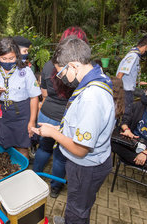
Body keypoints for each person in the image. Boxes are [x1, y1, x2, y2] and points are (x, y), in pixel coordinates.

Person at [32, 36, 115, 224]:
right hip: (90, 162)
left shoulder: (91, 97)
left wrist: (54, 134)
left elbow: (80, 148)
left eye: (62, 73)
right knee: (79, 203)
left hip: (86, 165)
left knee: (77, 208)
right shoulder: (97, 76)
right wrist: (58, 128)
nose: (62, 79)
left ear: (74, 66)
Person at [33, 26, 89, 198]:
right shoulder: (78, 69)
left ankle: (34, 177)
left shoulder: (50, 64)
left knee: (44, 148)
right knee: (60, 156)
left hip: (47, 112)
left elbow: (43, 93)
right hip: (65, 118)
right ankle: (55, 187)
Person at [0, 37, 41, 159]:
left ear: (17, 56)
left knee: (22, 147)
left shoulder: (25, 71)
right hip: (4, 114)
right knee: (6, 146)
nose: (8, 61)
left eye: (11, 58)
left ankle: (22, 172)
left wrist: (31, 121)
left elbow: (34, 97)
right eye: (3, 59)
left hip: (23, 114)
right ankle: (11, 173)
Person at [116, 36, 147, 114]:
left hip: (126, 89)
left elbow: (127, 75)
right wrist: (116, 91)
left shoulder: (132, 54)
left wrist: (138, 82)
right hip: (125, 91)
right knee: (126, 114)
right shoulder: (133, 56)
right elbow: (120, 74)